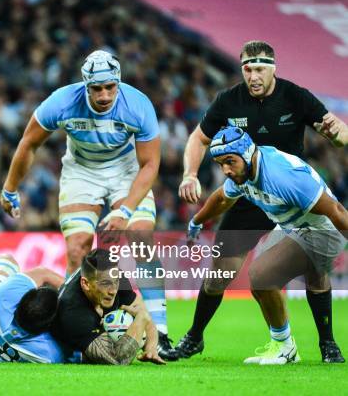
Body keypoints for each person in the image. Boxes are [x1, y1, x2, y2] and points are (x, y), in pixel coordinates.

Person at [176, 40, 347, 363]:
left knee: (313, 262)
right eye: (247, 69)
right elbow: (200, 140)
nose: (253, 76)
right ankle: (195, 337)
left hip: (292, 196)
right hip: (249, 189)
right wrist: (189, 175)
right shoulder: (228, 101)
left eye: (259, 69)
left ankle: (327, 344)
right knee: (221, 270)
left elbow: (340, 136)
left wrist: (337, 135)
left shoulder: (295, 95)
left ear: (273, 69)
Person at [0, 50, 177, 360]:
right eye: (97, 89)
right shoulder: (61, 102)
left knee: (141, 240)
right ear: (85, 86)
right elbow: (28, 143)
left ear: (119, 83)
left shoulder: (138, 105)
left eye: (111, 87)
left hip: (126, 171)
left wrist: (123, 211)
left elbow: (150, 165)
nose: (105, 95)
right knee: (77, 249)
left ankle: (159, 333)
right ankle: (77, 333)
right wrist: (10, 187)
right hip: (81, 172)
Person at [187, 127, 346, 364]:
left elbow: (337, 211)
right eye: (221, 164)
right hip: (292, 224)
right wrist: (196, 221)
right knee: (262, 286)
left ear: (248, 152)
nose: (226, 170)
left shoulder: (282, 177)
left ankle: (286, 348)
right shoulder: (243, 170)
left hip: (323, 228)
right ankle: (305, 346)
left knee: (262, 275)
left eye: (229, 161)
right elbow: (221, 198)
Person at [51, 248, 164, 365]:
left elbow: (142, 311)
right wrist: (141, 319)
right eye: (105, 284)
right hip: (54, 347)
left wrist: (151, 348)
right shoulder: (73, 311)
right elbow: (117, 360)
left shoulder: (113, 276)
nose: (113, 290)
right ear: (85, 284)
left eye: (116, 281)